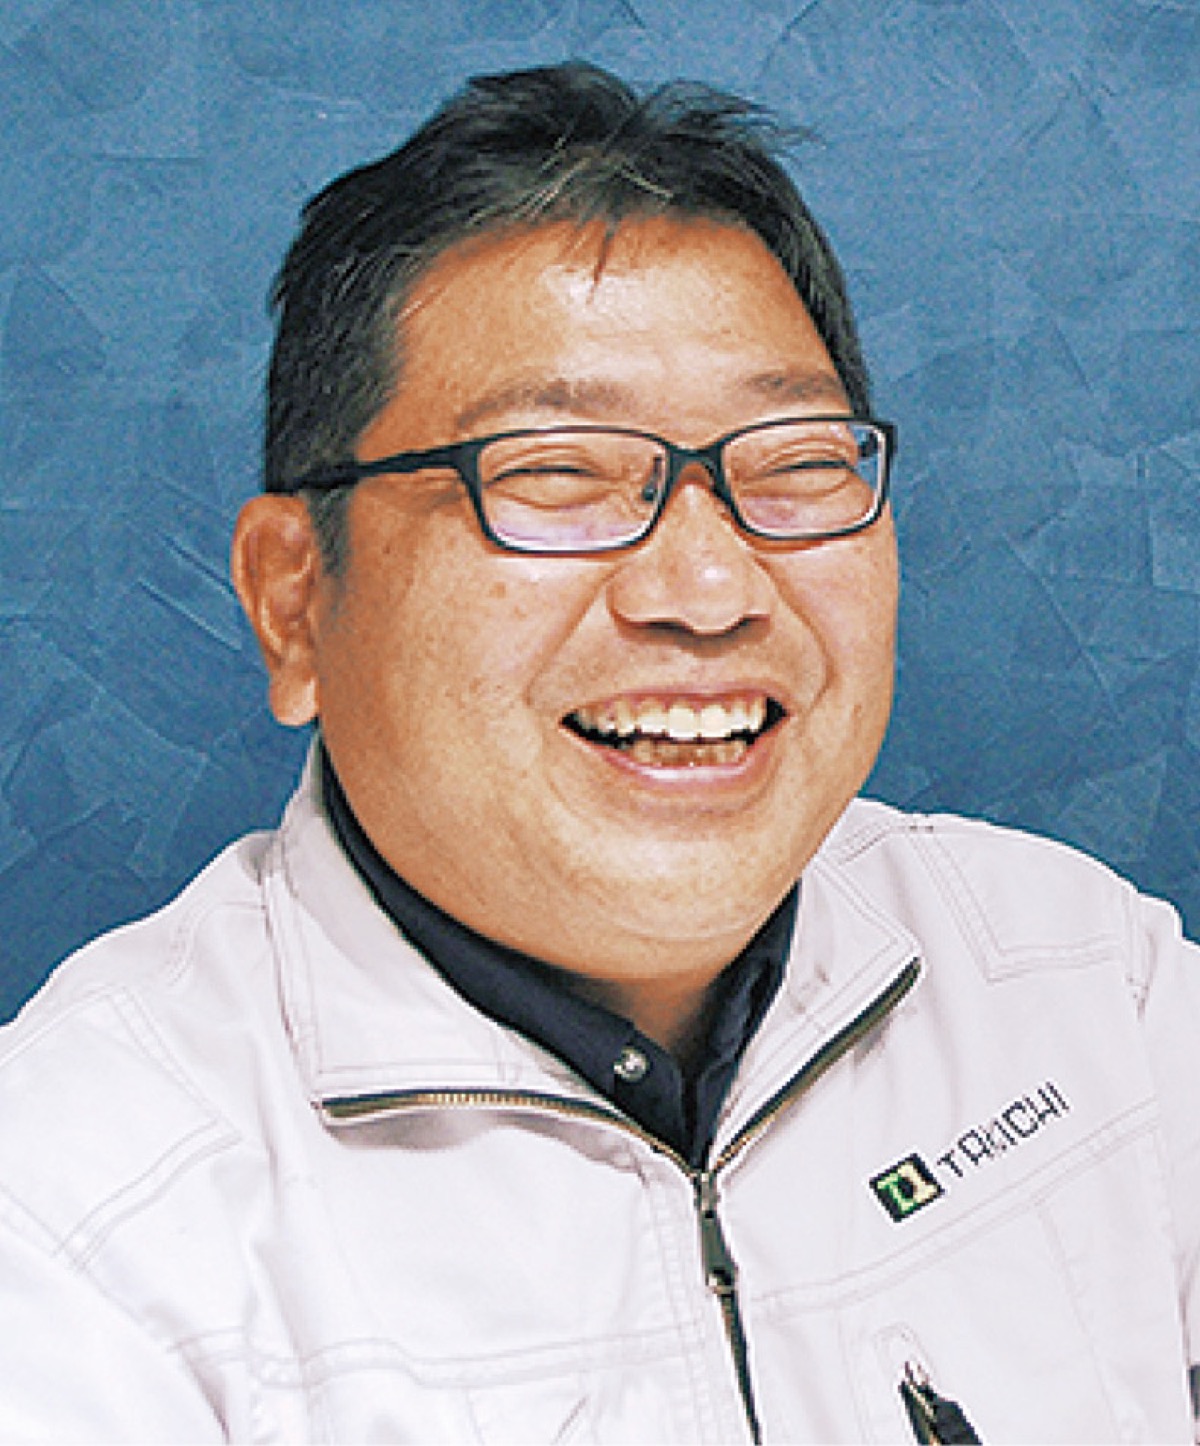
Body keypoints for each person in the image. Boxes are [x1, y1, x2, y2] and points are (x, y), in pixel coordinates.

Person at [0, 60, 1197, 1445]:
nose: (709, 586)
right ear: (294, 602)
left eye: (796, 464)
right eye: (555, 474)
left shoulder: (1082, 983)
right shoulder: (76, 1218)